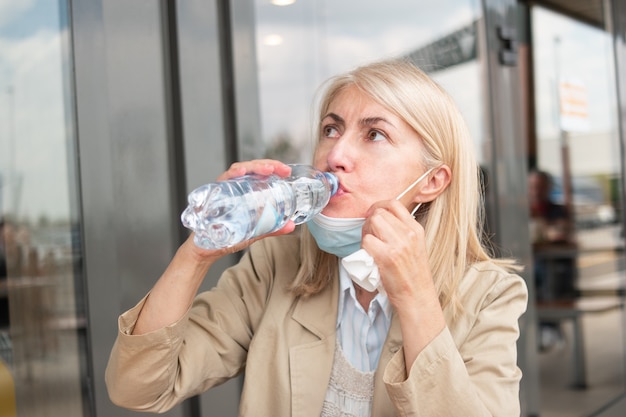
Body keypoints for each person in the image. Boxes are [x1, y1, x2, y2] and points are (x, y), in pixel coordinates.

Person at [105, 59, 528, 416]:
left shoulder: (490, 295)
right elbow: (138, 387)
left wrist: (416, 295)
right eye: (331, 129)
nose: (336, 155)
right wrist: (198, 252)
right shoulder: (276, 263)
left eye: (374, 134)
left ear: (431, 181)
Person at [528, 169, 577, 349]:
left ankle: (548, 326)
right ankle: (545, 327)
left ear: (548, 188)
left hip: (553, 265)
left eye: (540, 187)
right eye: (532, 187)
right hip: (531, 265)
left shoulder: (558, 210)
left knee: (548, 275)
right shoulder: (519, 211)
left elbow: (562, 233)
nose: (535, 191)